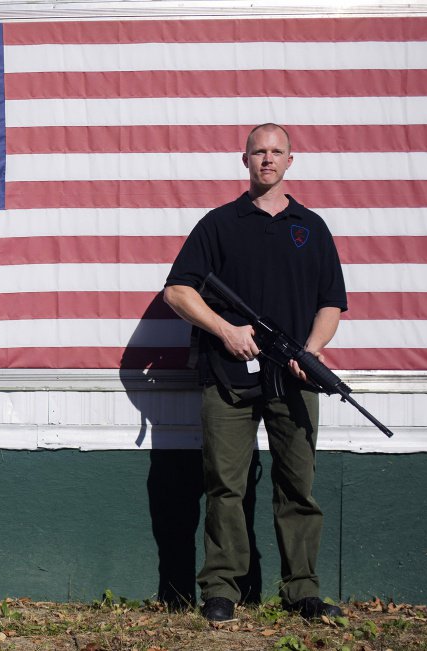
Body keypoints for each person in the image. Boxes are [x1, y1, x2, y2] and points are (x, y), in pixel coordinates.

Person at [162, 123, 347, 622]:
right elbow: (177, 292)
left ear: (291, 161)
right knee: (226, 487)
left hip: (294, 378)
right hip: (227, 378)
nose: (267, 159)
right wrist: (224, 329)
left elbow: (332, 303)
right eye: (258, 151)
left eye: (276, 151)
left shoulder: (312, 227)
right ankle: (221, 590)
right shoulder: (219, 225)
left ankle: (302, 590)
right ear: (244, 160)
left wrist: (310, 350)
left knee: (297, 489)